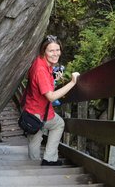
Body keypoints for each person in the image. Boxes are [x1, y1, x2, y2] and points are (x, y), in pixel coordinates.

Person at [23, 35, 80, 166]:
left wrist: (53, 77)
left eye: (57, 50)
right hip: (39, 112)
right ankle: (49, 159)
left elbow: (40, 83)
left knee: (34, 139)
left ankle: (33, 167)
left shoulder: (41, 62)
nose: (55, 54)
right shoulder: (41, 70)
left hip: (31, 110)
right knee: (58, 124)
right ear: (44, 51)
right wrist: (72, 82)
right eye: (51, 51)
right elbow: (51, 97)